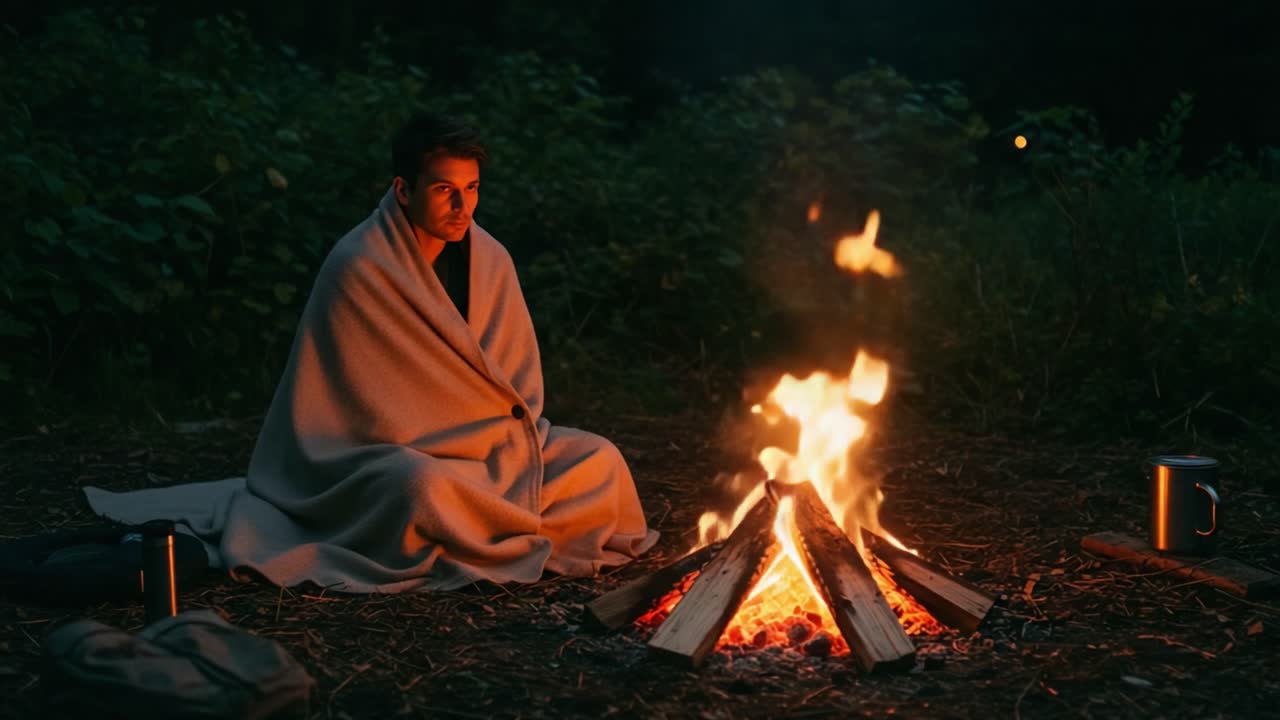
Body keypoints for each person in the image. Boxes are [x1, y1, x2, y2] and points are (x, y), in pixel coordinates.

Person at [86, 112, 659, 592]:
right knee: (419, 487)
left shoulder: (491, 260)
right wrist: (453, 446)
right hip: (387, 458)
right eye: (444, 189)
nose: (462, 206)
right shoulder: (359, 266)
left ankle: (486, 523)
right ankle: (497, 523)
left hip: (493, 451)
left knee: (599, 459)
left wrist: (491, 447)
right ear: (403, 189)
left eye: (472, 189)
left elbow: (517, 386)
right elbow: (353, 411)